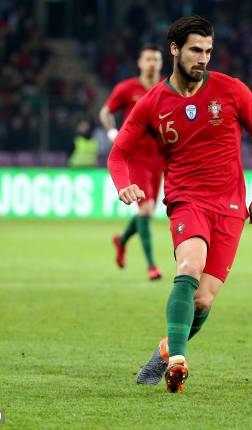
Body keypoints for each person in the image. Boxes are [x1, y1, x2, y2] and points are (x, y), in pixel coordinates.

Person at [107, 16, 252, 393]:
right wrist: (124, 185)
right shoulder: (152, 103)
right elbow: (118, 156)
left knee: (203, 299)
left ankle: (167, 349)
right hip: (186, 200)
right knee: (189, 266)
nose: (203, 58)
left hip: (230, 207)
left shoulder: (231, 90)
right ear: (175, 50)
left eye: (209, 51)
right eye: (196, 50)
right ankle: (178, 363)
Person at [99, 44, 164, 281]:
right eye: (147, 59)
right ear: (139, 63)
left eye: (156, 60)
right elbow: (105, 112)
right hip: (135, 156)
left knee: (148, 213)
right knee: (145, 209)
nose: (152, 64)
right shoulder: (127, 88)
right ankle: (151, 266)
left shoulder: (167, 87)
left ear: (161, 63)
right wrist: (111, 132)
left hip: (158, 159)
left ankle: (122, 240)